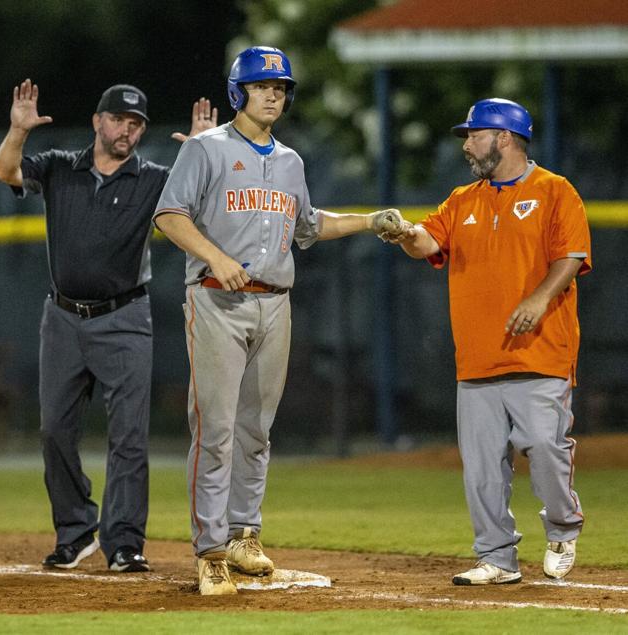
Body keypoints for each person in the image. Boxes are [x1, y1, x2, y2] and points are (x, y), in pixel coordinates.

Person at [152, 46, 407, 596]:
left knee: (256, 430)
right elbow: (169, 214)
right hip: (216, 299)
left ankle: (245, 534)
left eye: (281, 87)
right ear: (238, 92)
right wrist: (216, 257)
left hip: (275, 304)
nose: (273, 93)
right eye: (263, 85)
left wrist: (368, 220)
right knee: (215, 430)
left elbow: (309, 226)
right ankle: (210, 550)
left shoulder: (290, 161)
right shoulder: (206, 148)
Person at [0, 80, 216, 573]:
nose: (127, 130)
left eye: (136, 124)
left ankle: (124, 543)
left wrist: (204, 151)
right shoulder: (57, 167)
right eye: (119, 119)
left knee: (130, 436)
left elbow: (203, 201)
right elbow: (6, 170)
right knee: (54, 430)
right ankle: (75, 532)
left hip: (125, 318)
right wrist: (17, 130)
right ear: (98, 121)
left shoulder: (156, 178)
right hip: (64, 318)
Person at [389, 98, 590, 586]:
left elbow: (572, 256)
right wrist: (404, 232)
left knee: (545, 447)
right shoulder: (463, 200)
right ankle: (497, 558)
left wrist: (540, 300)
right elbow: (429, 243)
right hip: (477, 359)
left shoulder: (555, 191)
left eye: (473, 134)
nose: (466, 144)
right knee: (481, 471)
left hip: (541, 354)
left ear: (503, 137)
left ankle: (563, 528)